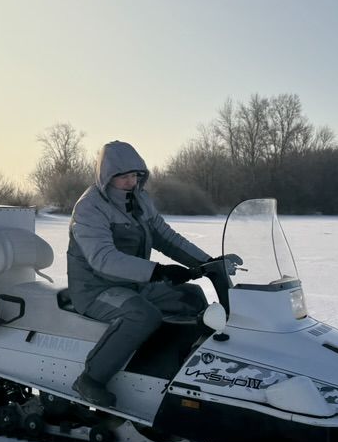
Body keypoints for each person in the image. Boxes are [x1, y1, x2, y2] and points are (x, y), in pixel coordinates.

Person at [67, 140, 222, 407]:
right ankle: (91, 379)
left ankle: (186, 367)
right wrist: (157, 271)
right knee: (142, 314)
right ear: (107, 177)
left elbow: (165, 237)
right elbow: (103, 258)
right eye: (124, 177)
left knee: (190, 296)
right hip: (96, 289)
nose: (130, 183)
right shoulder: (90, 207)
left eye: (135, 176)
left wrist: (207, 263)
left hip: (133, 284)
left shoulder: (140, 201)